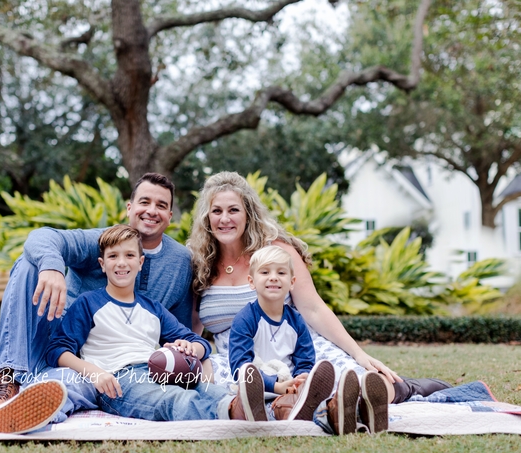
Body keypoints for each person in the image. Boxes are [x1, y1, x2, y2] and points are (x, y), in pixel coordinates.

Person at [188, 171, 451, 434]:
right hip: (240, 356)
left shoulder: (277, 252)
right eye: (216, 211)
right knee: (211, 381)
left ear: (248, 213)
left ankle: (404, 389)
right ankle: (306, 407)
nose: (224, 219)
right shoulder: (201, 263)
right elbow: (193, 330)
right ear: (206, 217)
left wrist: (358, 353)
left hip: (294, 345)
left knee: (355, 381)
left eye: (233, 210)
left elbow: (313, 309)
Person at [0, 225, 269, 433]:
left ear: (140, 263)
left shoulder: (153, 308)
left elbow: (193, 338)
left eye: (129, 256)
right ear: (102, 264)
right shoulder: (89, 303)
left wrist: (193, 347)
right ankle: (27, 411)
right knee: (163, 399)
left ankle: (256, 402)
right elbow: (57, 349)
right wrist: (94, 372)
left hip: (151, 369)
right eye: (113, 257)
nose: (121, 263)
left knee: (202, 387)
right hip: (111, 378)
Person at [0, 173, 193, 415]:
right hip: (60, 348)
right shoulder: (101, 241)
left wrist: (188, 358)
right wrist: (52, 266)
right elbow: (41, 238)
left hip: (123, 367)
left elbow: (180, 329)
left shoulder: (180, 261)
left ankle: (34, 406)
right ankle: (8, 378)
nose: (151, 211)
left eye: (161, 205)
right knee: (28, 263)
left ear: (170, 217)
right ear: (129, 208)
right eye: (144, 202)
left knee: (65, 389)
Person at [228, 245, 388, 428]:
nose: (273, 277)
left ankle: (354, 409)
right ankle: (338, 413)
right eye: (265, 272)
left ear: (292, 282)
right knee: (282, 406)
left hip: (292, 386)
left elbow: (304, 359)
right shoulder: (245, 319)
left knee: (308, 397)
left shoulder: (296, 320)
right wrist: (277, 386)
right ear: (251, 281)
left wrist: (301, 378)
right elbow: (240, 367)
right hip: (258, 391)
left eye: (281, 273)